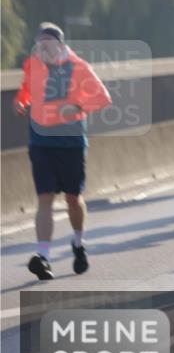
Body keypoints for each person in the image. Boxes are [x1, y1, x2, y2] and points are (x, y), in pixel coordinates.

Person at [16, 23, 112, 281]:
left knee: (72, 197)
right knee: (45, 198)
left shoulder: (79, 67)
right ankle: (43, 257)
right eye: (39, 45)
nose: (42, 49)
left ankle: (78, 244)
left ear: (59, 44)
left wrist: (78, 106)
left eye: (47, 44)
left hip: (70, 143)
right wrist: (22, 102)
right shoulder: (32, 64)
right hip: (40, 141)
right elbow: (26, 88)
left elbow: (103, 98)